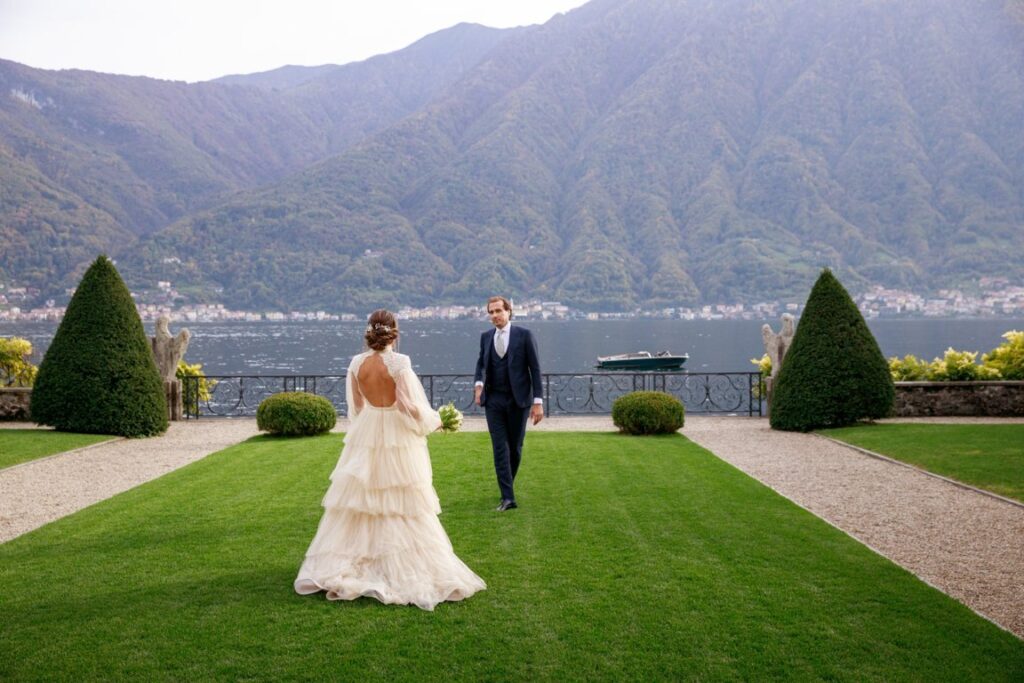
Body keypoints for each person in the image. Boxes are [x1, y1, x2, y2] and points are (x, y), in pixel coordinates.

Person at [295, 309, 485, 610]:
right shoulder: (399, 362)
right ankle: (398, 565)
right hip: (396, 433)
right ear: (394, 331)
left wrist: (367, 429)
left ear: (370, 332)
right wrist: (435, 421)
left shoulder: (357, 364)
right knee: (401, 498)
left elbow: (356, 407)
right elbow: (408, 406)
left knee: (362, 499)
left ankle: (353, 561)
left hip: (368, 431)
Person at [474, 296, 543, 512]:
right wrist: (478, 385)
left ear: (508, 311)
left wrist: (538, 402)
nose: (494, 316)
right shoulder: (486, 337)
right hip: (493, 400)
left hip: (518, 400)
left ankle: (507, 488)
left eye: (498, 311)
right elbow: (480, 364)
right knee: (499, 448)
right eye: (491, 312)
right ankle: (507, 497)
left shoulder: (524, 335)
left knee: (515, 448)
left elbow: (536, 369)